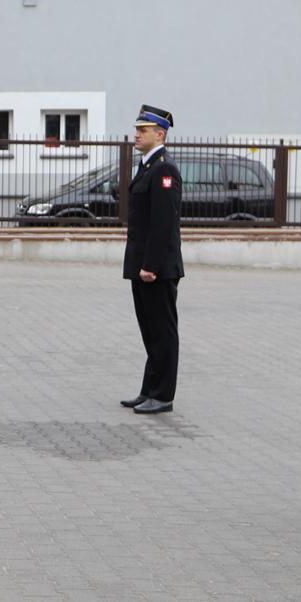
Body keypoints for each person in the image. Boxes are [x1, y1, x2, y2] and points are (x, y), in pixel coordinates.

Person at [120, 105, 182, 415]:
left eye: (142, 130)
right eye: (137, 129)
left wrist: (151, 266)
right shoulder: (148, 166)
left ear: (159, 134)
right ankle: (149, 390)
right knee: (150, 331)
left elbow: (163, 224)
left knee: (162, 332)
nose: (136, 134)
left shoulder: (164, 169)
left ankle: (163, 395)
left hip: (156, 269)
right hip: (142, 265)